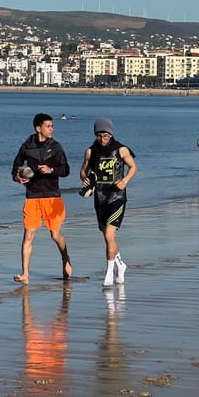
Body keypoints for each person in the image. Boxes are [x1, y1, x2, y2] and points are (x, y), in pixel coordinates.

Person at [11, 113, 72, 284]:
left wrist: (51, 170)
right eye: (48, 126)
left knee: (55, 235)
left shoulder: (56, 147)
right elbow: (15, 167)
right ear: (39, 128)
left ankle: (65, 259)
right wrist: (18, 177)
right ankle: (25, 275)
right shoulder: (27, 146)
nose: (52, 129)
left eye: (52, 126)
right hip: (33, 196)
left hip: (53, 197)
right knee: (28, 235)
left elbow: (66, 170)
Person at [79, 117, 137, 288]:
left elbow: (133, 167)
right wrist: (85, 179)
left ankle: (109, 272)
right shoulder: (91, 151)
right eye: (99, 136)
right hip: (100, 198)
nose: (102, 139)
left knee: (108, 235)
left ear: (110, 134)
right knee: (108, 237)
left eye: (105, 136)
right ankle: (120, 264)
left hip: (117, 197)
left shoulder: (121, 150)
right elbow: (83, 171)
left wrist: (125, 180)